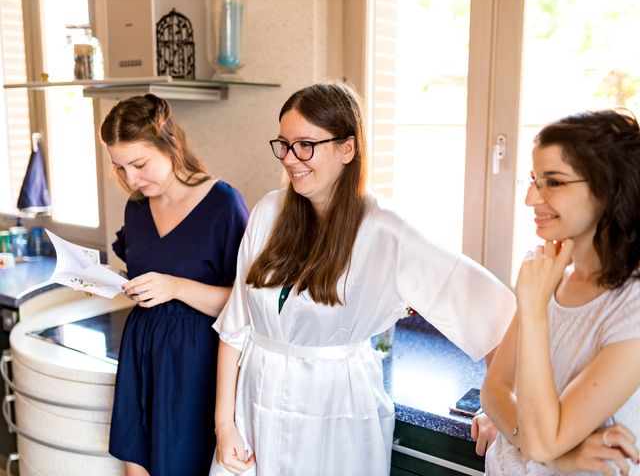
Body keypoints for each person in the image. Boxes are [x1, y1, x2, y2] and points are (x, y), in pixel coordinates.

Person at [209, 82, 516, 476]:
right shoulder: (269, 212)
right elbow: (235, 330)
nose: (289, 158)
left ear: (347, 149)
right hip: (253, 411)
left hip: (336, 416)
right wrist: (225, 425)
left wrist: (499, 403)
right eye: (283, 144)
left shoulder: (387, 232)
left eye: (305, 144)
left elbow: (496, 313)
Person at [481, 109, 640, 475]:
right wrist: (558, 455)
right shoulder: (550, 272)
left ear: (608, 188)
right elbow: (493, 391)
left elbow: (540, 440)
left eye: (553, 182)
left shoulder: (630, 307)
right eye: (535, 180)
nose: (531, 200)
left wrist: (534, 308)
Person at [101, 94, 249, 476]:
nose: (131, 179)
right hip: (142, 353)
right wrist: (109, 283)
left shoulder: (223, 205)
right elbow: (145, 274)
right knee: (136, 467)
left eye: (139, 164)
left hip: (197, 364)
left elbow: (248, 306)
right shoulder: (135, 208)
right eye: (120, 168)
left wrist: (176, 287)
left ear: (170, 144)